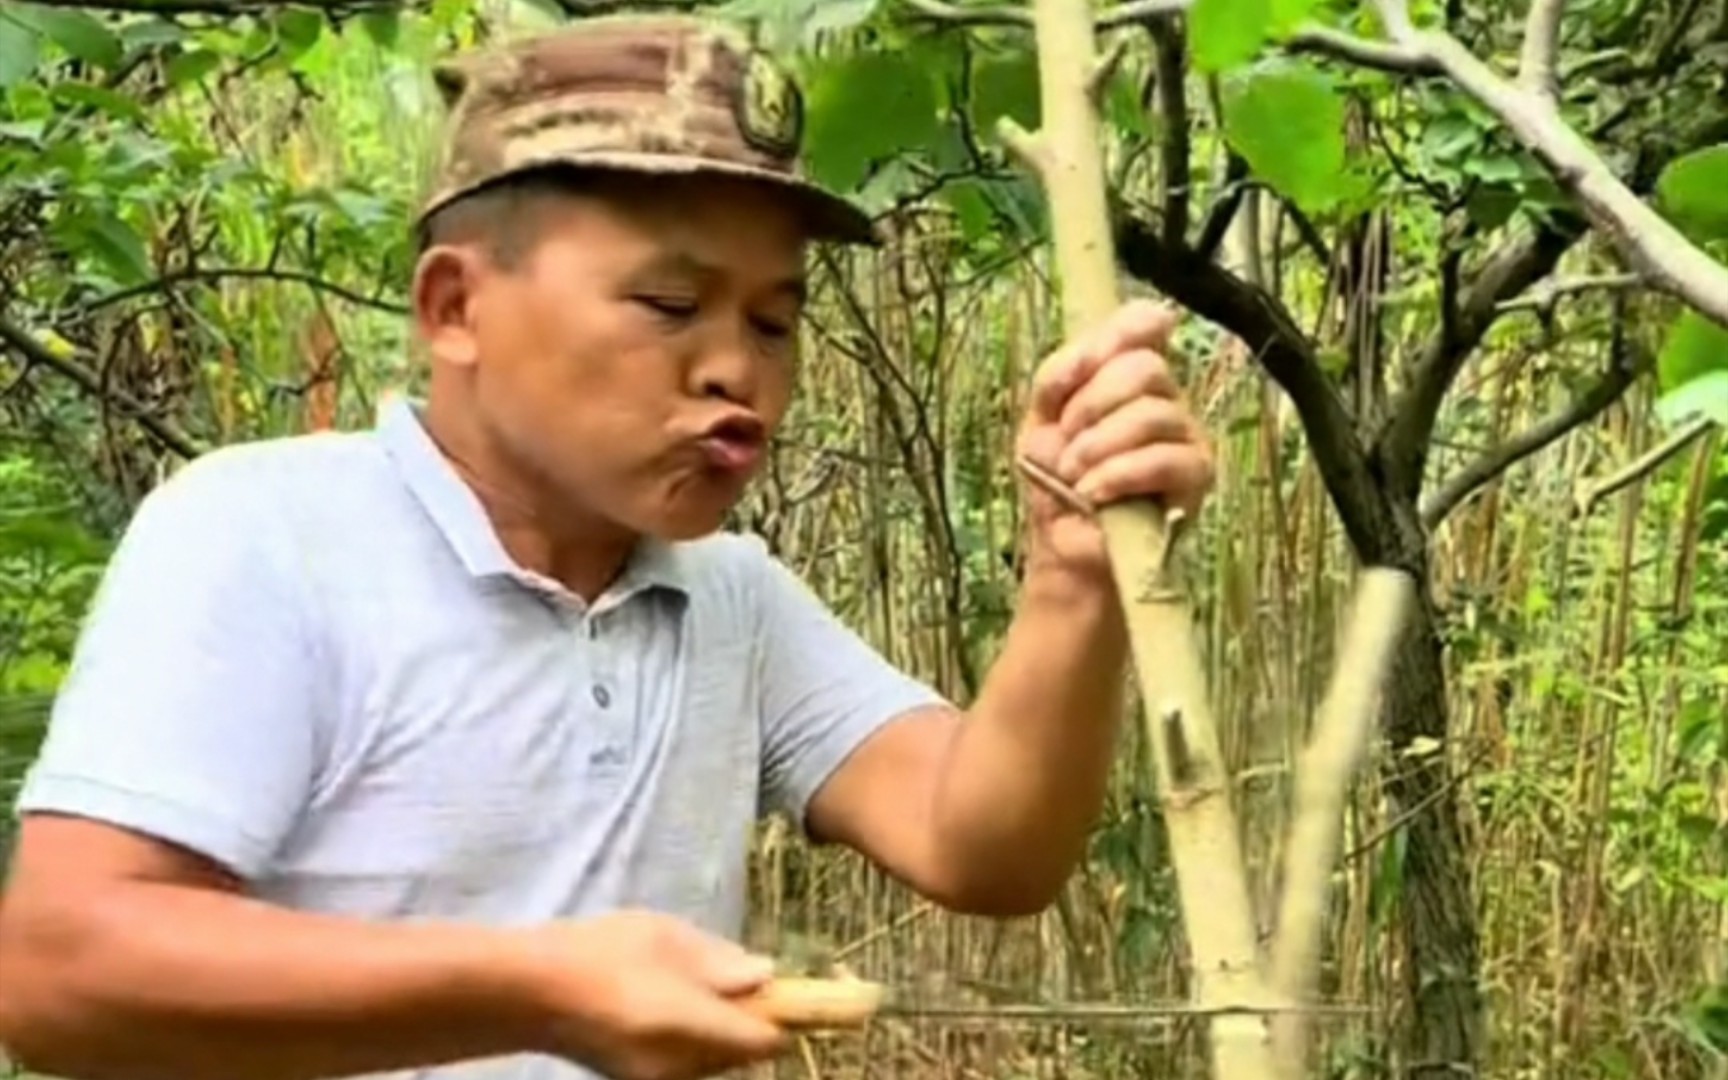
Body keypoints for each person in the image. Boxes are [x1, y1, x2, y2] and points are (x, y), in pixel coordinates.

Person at [0, 14, 1213, 1080]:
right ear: (455, 308)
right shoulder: (266, 536)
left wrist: (1071, 574)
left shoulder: (729, 603)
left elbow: (980, 845)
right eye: (670, 306)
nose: (737, 368)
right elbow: (57, 972)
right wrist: (543, 987)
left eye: (775, 320)